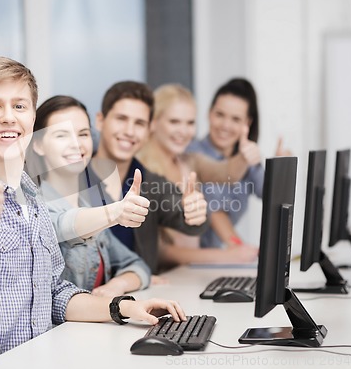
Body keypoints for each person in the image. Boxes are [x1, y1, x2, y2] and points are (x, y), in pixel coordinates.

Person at [0, 57, 185, 368]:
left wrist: (122, 307)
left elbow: (55, 292)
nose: (8, 117)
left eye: (19, 106)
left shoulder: (31, 198)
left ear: (31, 120)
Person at [88, 80, 253, 275]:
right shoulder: (74, 178)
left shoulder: (154, 180)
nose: (129, 131)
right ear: (100, 121)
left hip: (142, 289)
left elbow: (184, 216)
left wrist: (194, 213)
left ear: (149, 127)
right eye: (121, 119)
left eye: (139, 123)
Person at [25, 95, 151, 297]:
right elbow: (60, 225)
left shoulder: (90, 206)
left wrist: (116, 286)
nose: (76, 144)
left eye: (83, 134)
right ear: (38, 145)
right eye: (62, 135)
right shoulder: (32, 206)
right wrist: (115, 212)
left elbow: (136, 265)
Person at [137, 83, 259, 267]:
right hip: (160, 279)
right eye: (174, 122)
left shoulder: (190, 160)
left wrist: (244, 156)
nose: (184, 131)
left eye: (190, 123)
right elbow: (159, 251)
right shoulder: (142, 169)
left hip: (186, 274)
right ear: (153, 122)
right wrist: (227, 255)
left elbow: (227, 173)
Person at [187, 78, 291, 249]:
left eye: (236, 119)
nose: (225, 125)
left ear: (247, 123)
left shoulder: (246, 159)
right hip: (189, 260)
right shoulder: (193, 153)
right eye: (220, 115)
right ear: (209, 113)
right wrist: (241, 249)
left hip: (217, 259)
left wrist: (281, 168)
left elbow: (272, 197)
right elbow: (214, 211)